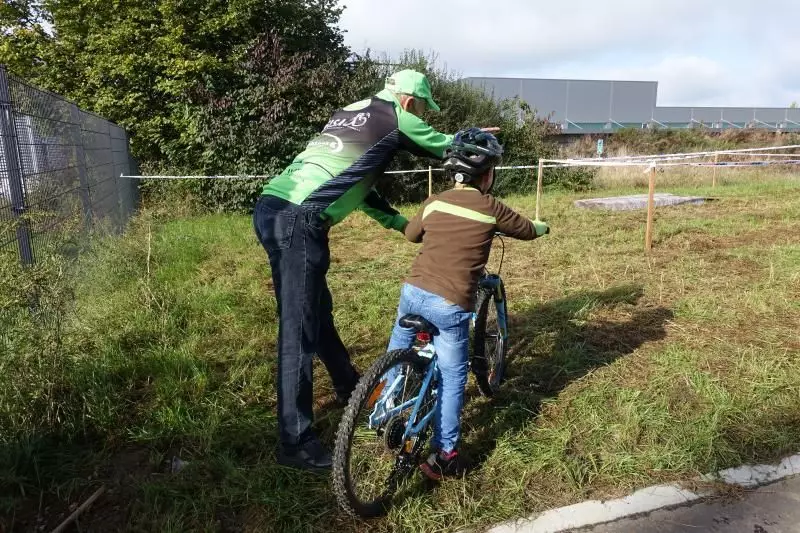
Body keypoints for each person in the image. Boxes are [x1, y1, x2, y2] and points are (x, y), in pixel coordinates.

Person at [253, 70, 465, 472]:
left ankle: (348, 386)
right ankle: (295, 442)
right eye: (423, 108)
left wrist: (400, 223)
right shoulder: (398, 117)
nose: (423, 116)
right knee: (297, 331)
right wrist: (475, 140)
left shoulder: (352, 111)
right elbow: (453, 149)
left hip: (273, 207)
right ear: (409, 101)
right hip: (299, 219)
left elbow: (356, 182)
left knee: (317, 313)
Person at [384, 128, 550, 480]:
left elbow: (413, 234)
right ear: (487, 175)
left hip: (413, 290)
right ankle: (446, 454)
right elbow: (527, 230)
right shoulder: (491, 208)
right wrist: (542, 226)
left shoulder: (434, 201)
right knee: (453, 376)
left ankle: (383, 398)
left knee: (399, 342)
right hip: (450, 303)